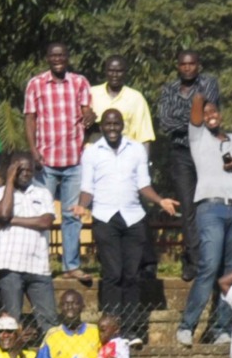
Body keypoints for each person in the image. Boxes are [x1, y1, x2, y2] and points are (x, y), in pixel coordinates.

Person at [73, 107, 174, 339]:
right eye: (108, 124)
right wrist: (82, 205)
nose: (112, 128)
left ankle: (130, 330)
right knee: (112, 274)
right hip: (105, 218)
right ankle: (111, 330)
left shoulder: (136, 150)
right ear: (101, 126)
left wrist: (160, 200)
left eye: (116, 124)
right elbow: (88, 188)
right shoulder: (91, 152)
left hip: (133, 218)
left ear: (122, 126)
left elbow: (143, 185)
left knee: (131, 275)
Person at [181, 102, 232, 345]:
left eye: (215, 111)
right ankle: (187, 325)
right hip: (210, 207)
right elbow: (196, 106)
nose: (211, 116)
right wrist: (201, 85)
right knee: (209, 266)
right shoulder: (198, 138)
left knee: (230, 270)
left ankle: (223, 327)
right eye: (206, 113)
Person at [22, 43, 94, 275]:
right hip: (46, 160)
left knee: (73, 215)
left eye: (62, 55)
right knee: (41, 214)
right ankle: (38, 265)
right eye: (53, 55)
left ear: (68, 58)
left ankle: (71, 265)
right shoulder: (36, 83)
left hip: (74, 159)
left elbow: (87, 113)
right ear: (47, 58)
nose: (58, 59)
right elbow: (30, 119)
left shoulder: (80, 82)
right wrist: (33, 151)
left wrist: (90, 116)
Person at [155, 50, 220, 274]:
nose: (188, 68)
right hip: (181, 153)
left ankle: (210, 256)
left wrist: (187, 117)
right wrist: (194, 116)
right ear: (178, 66)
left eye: (192, 64)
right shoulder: (169, 89)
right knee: (188, 206)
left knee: (208, 204)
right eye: (183, 64)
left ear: (198, 65)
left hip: (205, 150)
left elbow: (209, 115)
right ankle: (193, 260)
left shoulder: (208, 83)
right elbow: (165, 122)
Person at [0, 152, 60, 333]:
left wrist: (12, 221)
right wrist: (9, 181)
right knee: (11, 321)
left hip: (39, 266)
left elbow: (45, 222)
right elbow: (3, 213)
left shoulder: (43, 192)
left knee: (50, 321)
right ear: (11, 169)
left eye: (29, 170)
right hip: (10, 265)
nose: (25, 174)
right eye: (19, 169)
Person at [38, 285, 102, 358]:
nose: (70, 307)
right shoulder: (53, 335)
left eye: (75, 303)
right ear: (60, 308)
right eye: (65, 304)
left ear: (83, 307)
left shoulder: (96, 332)